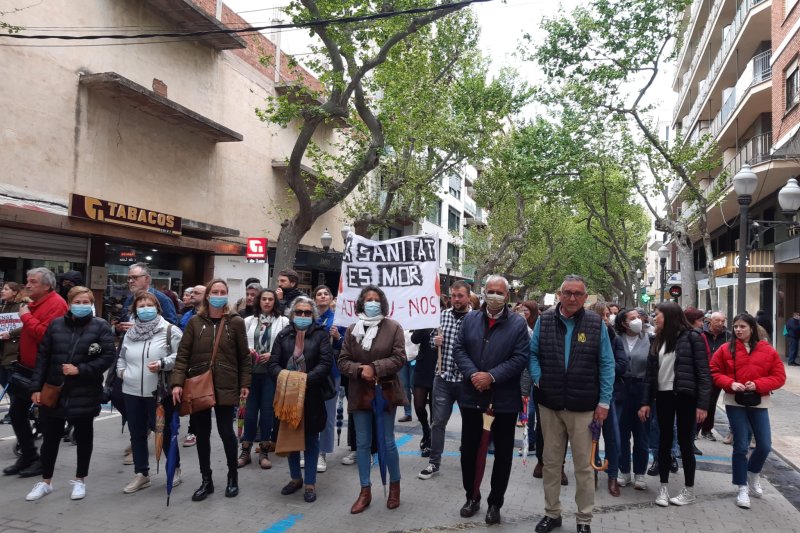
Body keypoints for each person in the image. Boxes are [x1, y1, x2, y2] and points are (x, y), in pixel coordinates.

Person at [531, 275, 614, 533]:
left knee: (584, 468)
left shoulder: (595, 323)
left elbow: (607, 363)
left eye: (578, 293)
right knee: (551, 463)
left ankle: (584, 520)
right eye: (568, 293)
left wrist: (604, 402)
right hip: (550, 404)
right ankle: (552, 514)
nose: (572, 298)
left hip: (584, 407)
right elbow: (532, 353)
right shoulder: (544, 321)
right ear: (559, 294)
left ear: (585, 296)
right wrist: (538, 378)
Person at [24, 286, 115, 501]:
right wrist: (35, 387)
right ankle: (46, 482)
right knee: (50, 438)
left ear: (91, 304)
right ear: (70, 302)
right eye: (78, 301)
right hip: (54, 390)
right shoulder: (56, 325)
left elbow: (108, 356)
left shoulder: (101, 326)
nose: (81, 306)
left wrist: (80, 369)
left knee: (84, 437)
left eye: (86, 302)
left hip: (85, 390)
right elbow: (43, 359)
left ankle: (80, 480)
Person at [451, 275, 529, 525]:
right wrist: (474, 374)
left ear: (507, 296)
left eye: (500, 292)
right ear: (484, 293)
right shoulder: (470, 319)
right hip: (472, 397)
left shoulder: (518, 324)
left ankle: (495, 503)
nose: (494, 296)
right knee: (469, 452)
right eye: (490, 291)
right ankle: (471, 497)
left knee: (503, 455)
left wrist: (492, 376)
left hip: (504, 401)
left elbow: (520, 358)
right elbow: (459, 349)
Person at [171, 279, 251, 501]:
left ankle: (232, 477)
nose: (218, 294)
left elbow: (244, 357)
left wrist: (245, 384)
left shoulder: (235, 322)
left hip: (226, 383)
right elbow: (183, 355)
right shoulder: (195, 322)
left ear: (227, 295)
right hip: (199, 385)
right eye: (214, 291)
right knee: (202, 434)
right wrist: (177, 382)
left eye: (222, 291)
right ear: (207, 296)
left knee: (227, 432)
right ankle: (206, 480)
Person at [338, 285, 406, 514]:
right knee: (363, 443)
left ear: (383, 303)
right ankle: (364, 490)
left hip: (385, 393)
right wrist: (359, 370)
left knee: (387, 442)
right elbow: (343, 361)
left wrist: (375, 368)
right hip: (359, 393)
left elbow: (399, 358)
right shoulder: (352, 330)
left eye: (376, 299)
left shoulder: (393, 327)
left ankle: (394, 486)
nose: (372, 302)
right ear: (361, 303)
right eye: (368, 299)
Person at [638, 301, 711, 508]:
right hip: (663, 396)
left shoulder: (693, 337)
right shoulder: (657, 339)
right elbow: (650, 375)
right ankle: (663, 487)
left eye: (657, 314)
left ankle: (689, 489)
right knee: (663, 440)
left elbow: (704, 373)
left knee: (686, 444)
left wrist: (703, 405)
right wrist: (645, 401)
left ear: (668, 316)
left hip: (686, 395)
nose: (654, 317)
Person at [710, 313, 786, 509]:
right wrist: (730, 383)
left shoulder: (767, 350)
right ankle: (742, 487)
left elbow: (779, 376)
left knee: (764, 445)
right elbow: (714, 370)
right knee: (741, 445)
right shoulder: (726, 349)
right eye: (735, 326)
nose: (738, 330)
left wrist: (759, 384)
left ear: (752, 328)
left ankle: (753, 473)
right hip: (734, 402)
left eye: (742, 326)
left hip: (759, 401)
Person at [3, 268, 68, 478]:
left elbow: (46, 335)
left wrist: (26, 317)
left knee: (47, 417)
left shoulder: (57, 304)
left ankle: (43, 461)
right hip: (26, 368)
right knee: (16, 412)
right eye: (27, 281)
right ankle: (29, 454)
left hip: (46, 371)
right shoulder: (30, 304)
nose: (27, 285)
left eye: (33, 282)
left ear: (47, 285)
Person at [117, 291, 183, 494]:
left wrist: (164, 363)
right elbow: (122, 356)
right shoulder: (130, 332)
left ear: (157, 308)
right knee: (136, 433)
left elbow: (181, 357)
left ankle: (175, 468)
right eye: (141, 305)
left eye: (149, 305)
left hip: (158, 392)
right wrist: (122, 372)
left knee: (163, 432)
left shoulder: (170, 330)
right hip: (131, 390)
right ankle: (141, 474)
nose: (145, 309)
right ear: (135, 309)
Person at [268, 296, 332, 503]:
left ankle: (310, 483)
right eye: (299, 312)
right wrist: (287, 378)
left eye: (307, 313)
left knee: (311, 441)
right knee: (291, 438)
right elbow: (273, 363)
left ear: (312, 315)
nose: (303, 316)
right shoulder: (283, 335)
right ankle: (295, 478)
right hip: (287, 395)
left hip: (311, 395)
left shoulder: (321, 335)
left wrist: (303, 380)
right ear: (292, 314)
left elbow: (325, 363)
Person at [418, 280, 472, 481]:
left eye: (460, 296)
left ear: (468, 296)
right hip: (442, 377)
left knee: (469, 423)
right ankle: (434, 463)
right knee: (438, 422)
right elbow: (433, 342)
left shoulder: (475, 319)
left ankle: (469, 458)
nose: (456, 300)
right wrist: (435, 342)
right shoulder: (442, 316)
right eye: (453, 296)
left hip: (466, 381)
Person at [239, 288, 288, 469]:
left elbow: (286, 347)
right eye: (264, 299)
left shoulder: (283, 321)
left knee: (268, 412)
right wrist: (248, 350)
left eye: (270, 299)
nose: (267, 302)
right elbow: (240, 344)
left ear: (275, 302)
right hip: (251, 372)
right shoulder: (247, 321)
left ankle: (264, 451)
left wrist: (273, 354)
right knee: (250, 413)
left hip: (271, 373)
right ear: (258, 301)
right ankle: (245, 450)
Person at [613, 308, 651, 491]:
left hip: (641, 389)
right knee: (622, 432)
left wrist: (648, 400)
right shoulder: (615, 339)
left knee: (641, 434)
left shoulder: (649, 339)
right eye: (633, 318)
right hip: (620, 390)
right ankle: (624, 470)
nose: (638, 320)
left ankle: (640, 473)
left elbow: (653, 369)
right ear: (623, 323)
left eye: (639, 317)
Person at [313, 285, 345, 473]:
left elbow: (346, 344)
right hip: (309, 371)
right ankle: (309, 448)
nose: (323, 296)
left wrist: (338, 336)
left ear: (331, 298)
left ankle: (322, 453)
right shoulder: (307, 316)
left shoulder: (338, 320)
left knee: (327, 415)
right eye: (319, 294)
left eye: (326, 293)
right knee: (309, 413)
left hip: (330, 374)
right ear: (315, 298)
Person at [699, 312, 731, 441]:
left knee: (712, 402)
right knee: (701, 402)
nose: (720, 324)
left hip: (718, 374)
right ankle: (694, 429)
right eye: (717, 321)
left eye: (723, 321)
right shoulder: (701, 334)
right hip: (702, 372)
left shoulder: (728, 336)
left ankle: (707, 429)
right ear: (710, 321)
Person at [119, 263, 178, 327]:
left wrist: (139, 328)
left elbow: (171, 326)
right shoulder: (129, 299)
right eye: (129, 278)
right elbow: (123, 321)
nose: (130, 281)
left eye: (135, 277)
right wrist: (118, 329)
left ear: (147, 279)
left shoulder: (162, 300)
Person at [410, 327, 436, 456]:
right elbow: (414, 339)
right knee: (419, 405)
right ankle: (426, 429)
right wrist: (423, 325)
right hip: (422, 368)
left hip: (439, 368)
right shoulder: (425, 321)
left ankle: (431, 440)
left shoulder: (446, 317)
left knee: (434, 408)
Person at [0, 282, 24, 418]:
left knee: (12, 384)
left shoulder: (21, 307)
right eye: (2, 289)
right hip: (2, 351)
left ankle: (15, 412)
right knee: (4, 380)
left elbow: (26, 325)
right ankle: (14, 410)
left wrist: (11, 333)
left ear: (15, 292)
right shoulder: (3, 307)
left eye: (6, 289)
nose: (2, 291)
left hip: (13, 350)